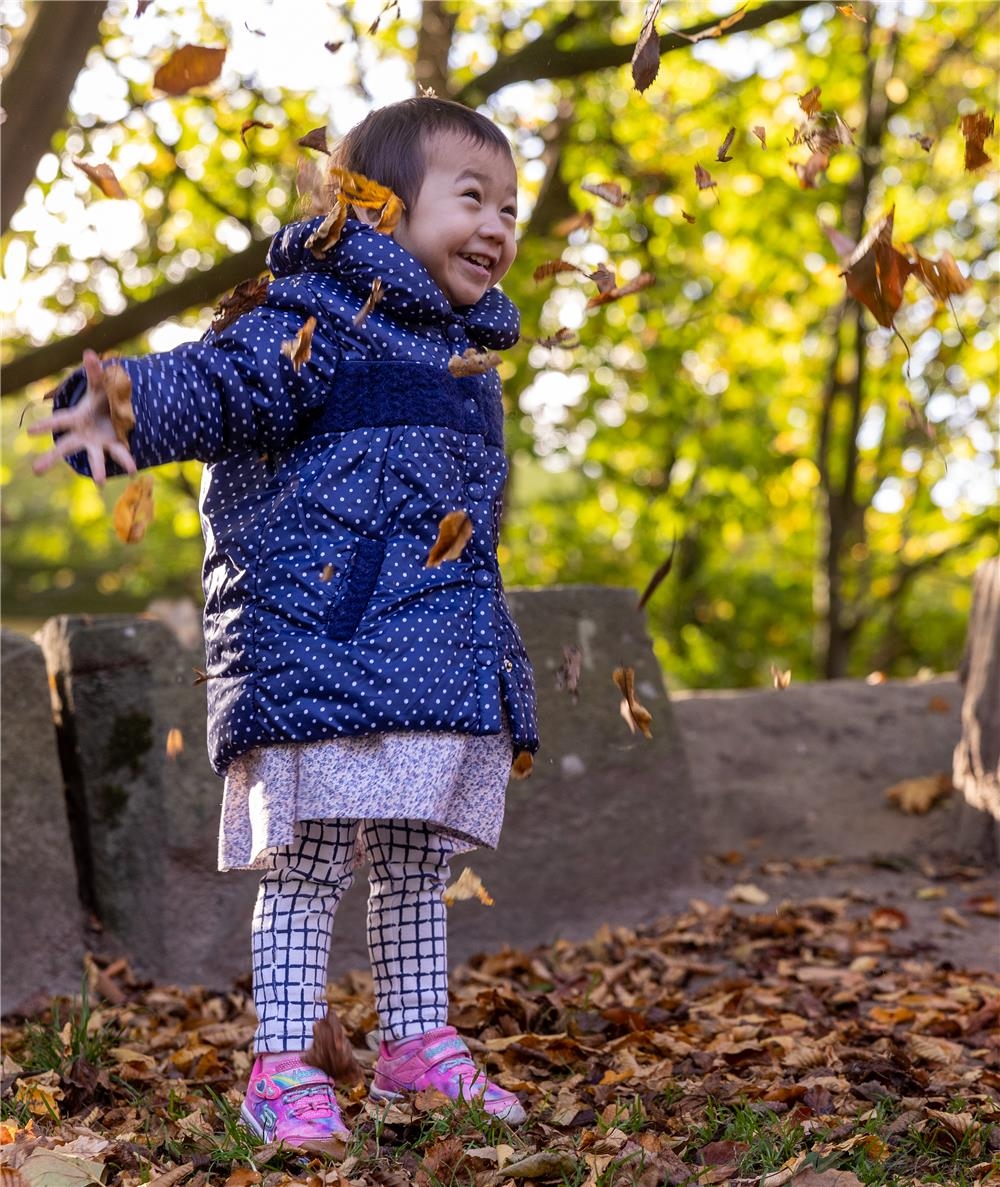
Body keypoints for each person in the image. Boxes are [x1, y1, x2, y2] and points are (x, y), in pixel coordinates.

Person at [30, 96, 539, 1147]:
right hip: (320, 645)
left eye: (511, 207)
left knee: (411, 864)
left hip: (430, 664)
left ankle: (415, 1043)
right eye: (472, 197)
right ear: (378, 210)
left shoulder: (465, 359)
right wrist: (126, 401)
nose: (497, 225)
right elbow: (226, 381)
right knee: (307, 862)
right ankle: (283, 1059)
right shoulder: (321, 317)